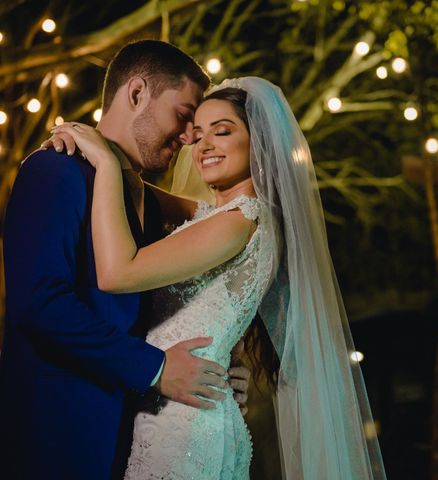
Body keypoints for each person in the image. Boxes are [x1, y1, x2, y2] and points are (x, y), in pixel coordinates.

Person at [50, 76, 387, 479]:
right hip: (188, 408)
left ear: (258, 144)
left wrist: (102, 161)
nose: (203, 145)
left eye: (222, 132)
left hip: (183, 427)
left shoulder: (238, 222)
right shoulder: (219, 218)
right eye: (196, 136)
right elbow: (139, 189)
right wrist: (97, 148)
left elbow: (118, 273)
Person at [0, 40, 250, 480]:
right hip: (58, 435)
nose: (191, 135)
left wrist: (219, 367)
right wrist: (154, 369)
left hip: (134, 441)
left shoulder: (150, 203)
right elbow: (39, 305)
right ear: (137, 94)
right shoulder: (53, 169)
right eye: (185, 115)